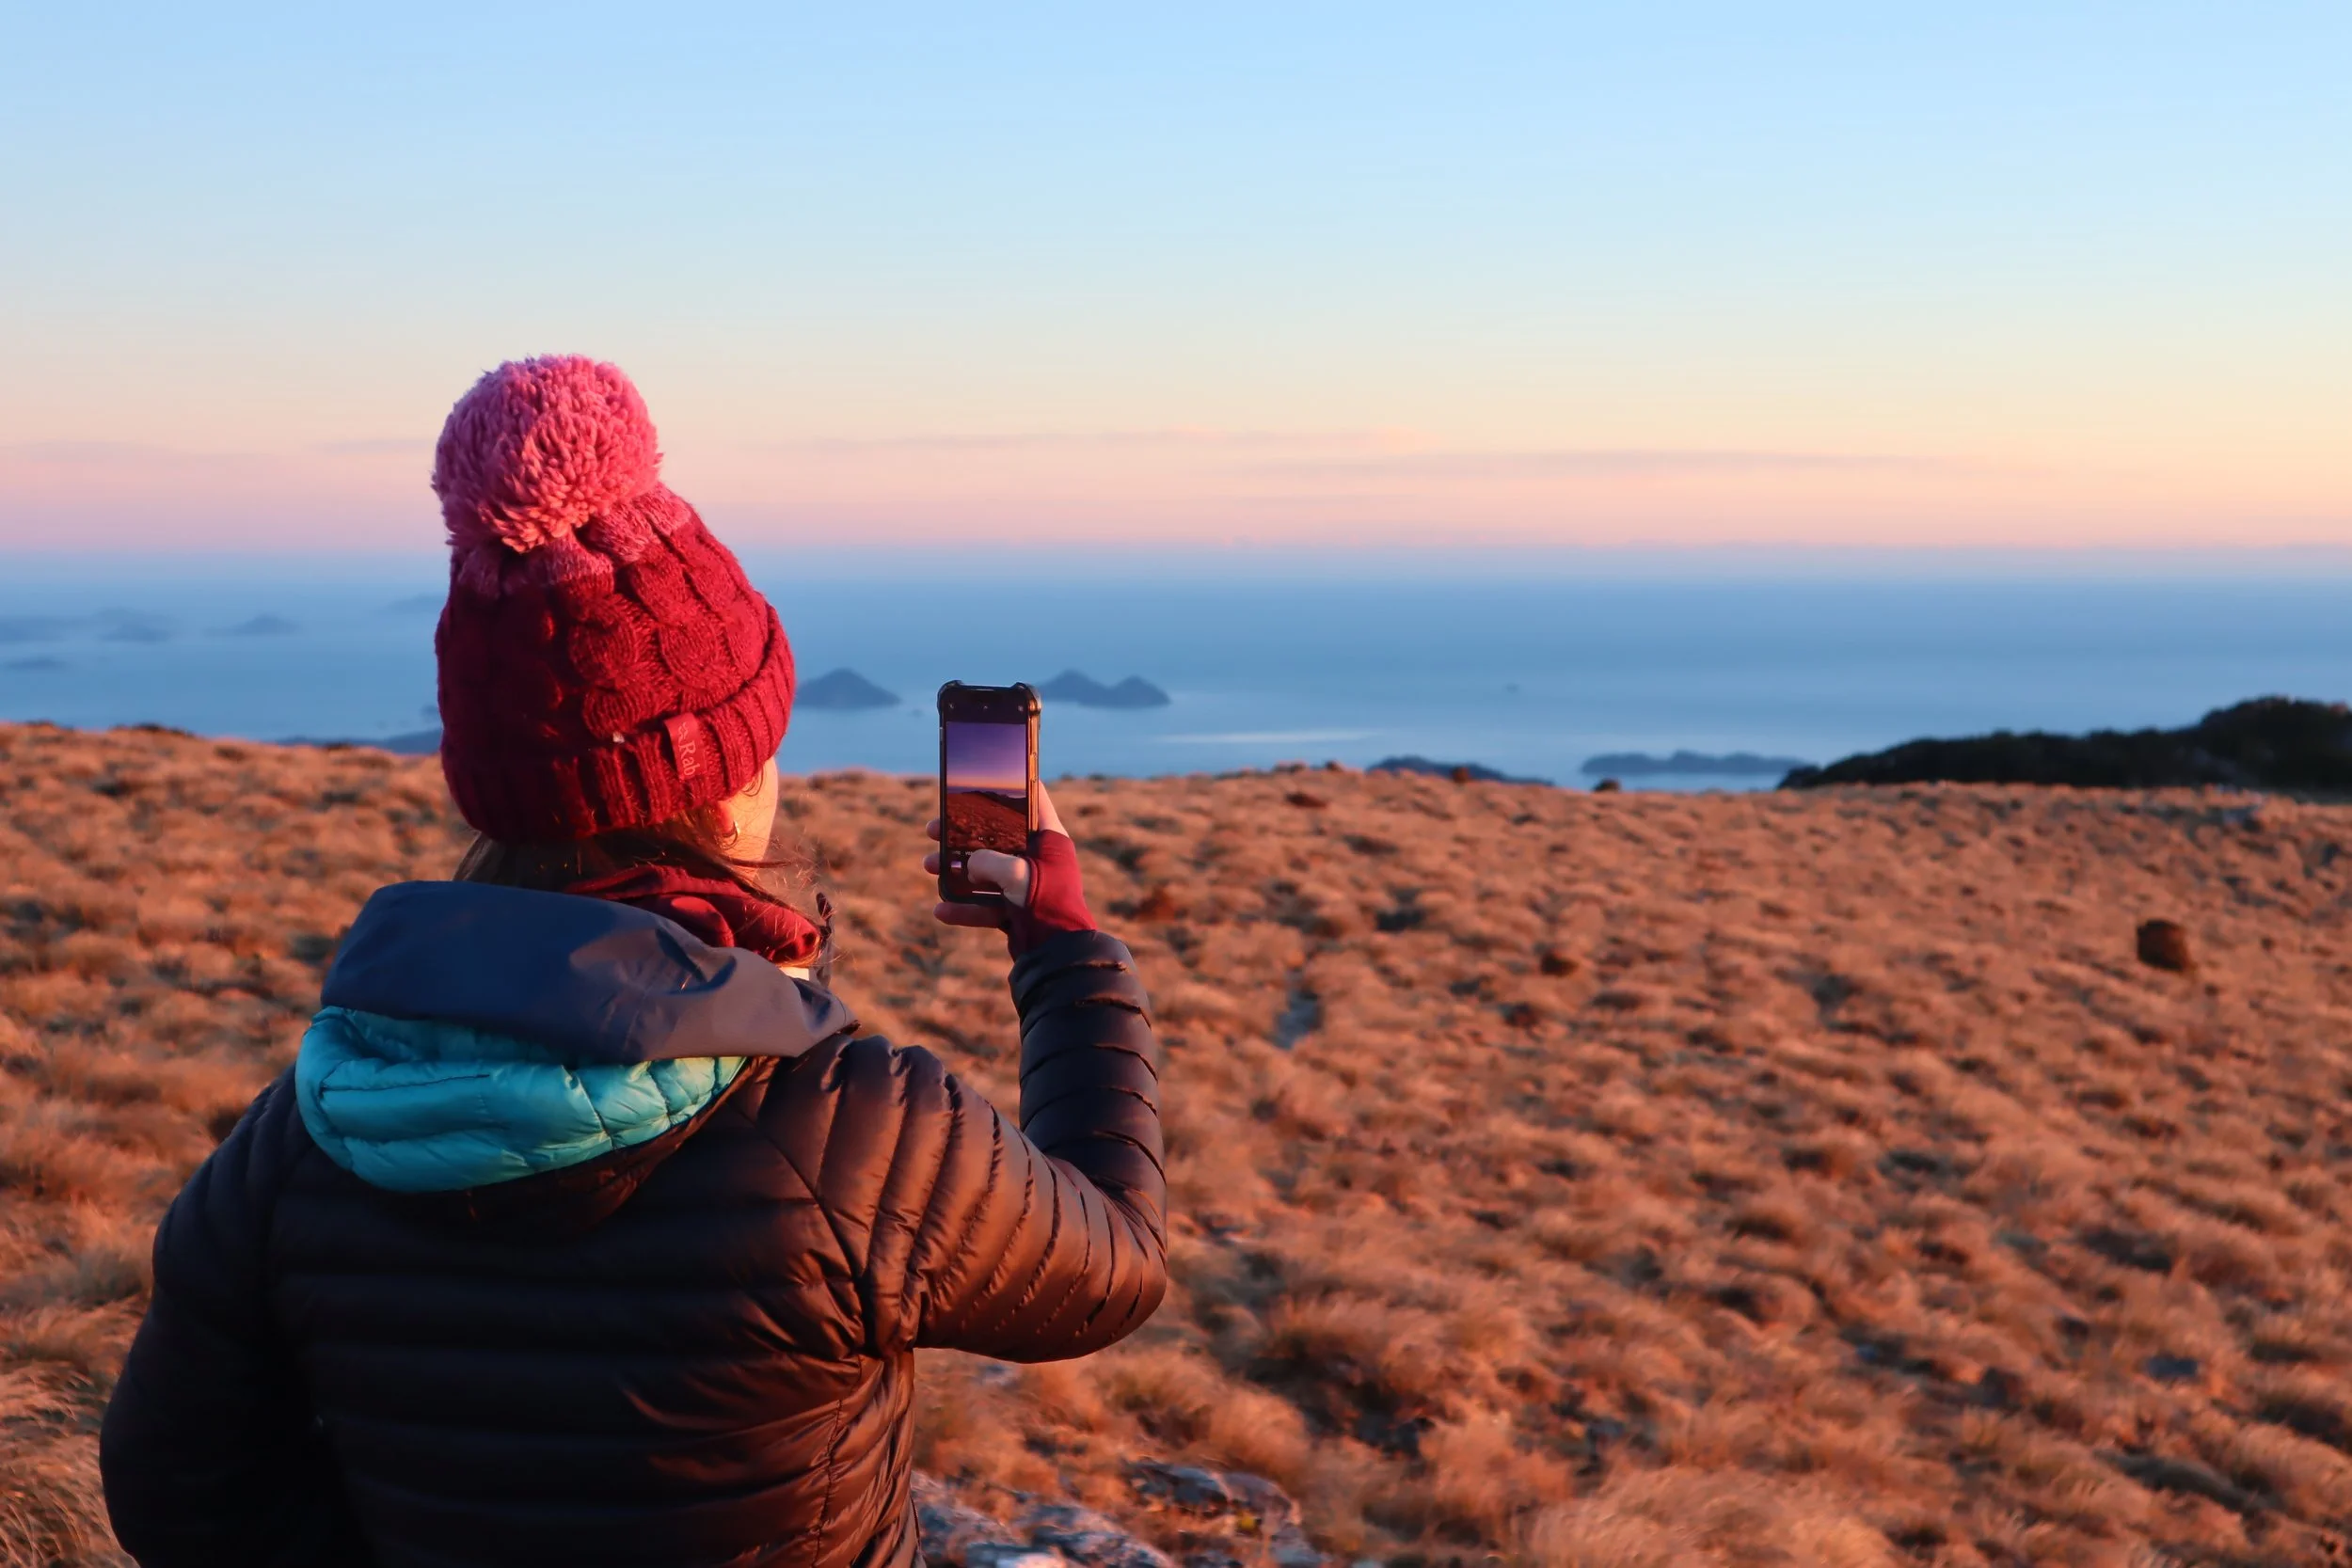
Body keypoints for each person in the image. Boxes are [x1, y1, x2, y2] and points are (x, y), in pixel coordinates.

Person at [98, 356, 1167, 1567]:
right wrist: (1065, 950)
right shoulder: (853, 1130)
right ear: (720, 794)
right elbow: (1112, 1267)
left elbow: (173, 1497)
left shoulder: (302, 1135)